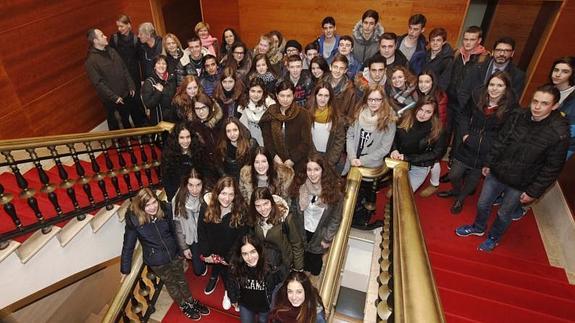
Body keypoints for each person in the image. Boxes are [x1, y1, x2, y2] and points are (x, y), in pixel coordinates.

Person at [455, 84, 569, 252]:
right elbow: (501, 141)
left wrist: (533, 192)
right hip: (497, 172)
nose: (537, 107)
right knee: (482, 203)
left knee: (504, 214)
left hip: (521, 183)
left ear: (555, 106)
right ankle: (478, 228)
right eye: (535, 101)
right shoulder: (518, 115)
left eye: (544, 103)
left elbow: (551, 168)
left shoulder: (559, 133)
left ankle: (494, 237)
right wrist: (488, 163)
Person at [120, 188, 210, 320]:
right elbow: (128, 245)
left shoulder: (165, 209)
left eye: (153, 202)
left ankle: (191, 301)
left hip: (173, 254)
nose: (152, 207)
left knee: (182, 279)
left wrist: (181, 250)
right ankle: (183, 305)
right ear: (140, 206)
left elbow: (175, 232)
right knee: (171, 283)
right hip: (157, 261)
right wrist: (125, 268)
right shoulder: (134, 220)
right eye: (147, 205)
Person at [439, 72, 519, 214]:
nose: (494, 89)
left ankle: (461, 199)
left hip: (487, 150)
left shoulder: (511, 108)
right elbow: (464, 115)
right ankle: (456, 190)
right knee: (454, 174)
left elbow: (507, 133)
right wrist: (464, 134)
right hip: (468, 142)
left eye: (500, 85)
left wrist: (493, 149)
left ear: (506, 88)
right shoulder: (477, 96)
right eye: (492, 84)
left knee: (473, 178)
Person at [345, 85, 397, 229]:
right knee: (352, 191)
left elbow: (385, 148)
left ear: (383, 100)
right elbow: (350, 135)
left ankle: (364, 218)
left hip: (371, 166)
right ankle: (351, 216)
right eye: (370, 99)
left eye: (377, 99)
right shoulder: (359, 111)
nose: (373, 103)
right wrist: (352, 157)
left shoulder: (389, 119)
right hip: (353, 161)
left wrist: (361, 161)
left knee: (368, 192)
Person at [443, 26, 490, 182]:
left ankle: (456, 170)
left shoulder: (484, 60)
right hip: (450, 103)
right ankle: (449, 167)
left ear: (479, 41)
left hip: (466, 107)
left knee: (460, 139)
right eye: (466, 39)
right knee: (445, 134)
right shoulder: (457, 54)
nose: (468, 43)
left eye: (472, 39)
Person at [198, 177, 249, 307]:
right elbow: (201, 231)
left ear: (235, 195)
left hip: (230, 253)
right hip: (213, 251)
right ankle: (219, 283)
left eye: (231, 194)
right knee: (219, 271)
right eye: (223, 193)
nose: (227, 198)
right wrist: (206, 253)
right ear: (217, 193)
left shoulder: (241, 211)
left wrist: (230, 257)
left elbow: (241, 237)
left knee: (230, 275)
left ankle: (230, 292)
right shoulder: (206, 207)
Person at [291, 154, 343, 277]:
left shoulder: (334, 192)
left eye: (316, 169)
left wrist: (327, 238)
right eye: (309, 169)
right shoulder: (299, 186)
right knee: (301, 261)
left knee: (314, 262)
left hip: (319, 234)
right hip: (301, 231)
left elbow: (336, 218)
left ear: (323, 171)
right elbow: (293, 208)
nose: (312, 174)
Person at [85, 28, 147, 130]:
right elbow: (98, 84)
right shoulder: (91, 61)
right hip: (112, 100)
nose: (105, 36)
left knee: (128, 119)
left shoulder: (112, 50)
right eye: (101, 35)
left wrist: (131, 85)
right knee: (115, 125)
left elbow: (124, 68)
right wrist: (114, 97)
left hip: (126, 93)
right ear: (95, 41)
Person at [390, 96, 447, 192]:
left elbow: (435, 153)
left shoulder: (438, 129)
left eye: (428, 112)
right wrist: (394, 149)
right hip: (399, 161)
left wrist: (408, 158)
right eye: (420, 109)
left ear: (433, 114)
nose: (422, 114)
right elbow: (394, 136)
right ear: (416, 108)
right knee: (396, 188)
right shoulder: (406, 116)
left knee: (405, 193)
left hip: (419, 166)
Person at [228, 234, 286, 321]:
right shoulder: (236, 266)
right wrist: (233, 298)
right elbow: (231, 283)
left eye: (253, 252)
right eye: (245, 254)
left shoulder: (271, 265)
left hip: (265, 306)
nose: (250, 257)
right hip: (246, 305)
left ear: (259, 250)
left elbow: (281, 283)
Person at [260, 81, 313, 171]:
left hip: (298, 163)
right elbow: (267, 140)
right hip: (276, 162)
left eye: (288, 96)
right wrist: (275, 157)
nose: (285, 99)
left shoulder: (303, 114)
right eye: (282, 95)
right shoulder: (270, 112)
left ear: (293, 95)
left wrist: (292, 160)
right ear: (277, 95)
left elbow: (306, 142)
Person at [249, 187, 304, 271]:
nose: (263, 209)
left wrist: (298, 269)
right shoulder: (254, 219)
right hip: (266, 264)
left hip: (284, 265)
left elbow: (297, 245)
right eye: (258, 206)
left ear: (271, 202)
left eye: (265, 203)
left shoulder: (286, 218)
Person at [459, 37, 526, 107]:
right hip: (471, 111)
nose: (502, 54)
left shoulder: (518, 75)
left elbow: (512, 101)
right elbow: (464, 91)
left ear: (512, 53)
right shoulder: (477, 68)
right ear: (493, 52)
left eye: (507, 51)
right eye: (498, 50)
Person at [416, 70, 449, 197]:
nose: (423, 85)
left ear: (433, 82)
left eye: (427, 82)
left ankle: (434, 184)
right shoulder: (419, 94)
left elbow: (440, 120)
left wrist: (432, 136)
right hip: (423, 128)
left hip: (436, 131)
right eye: (421, 81)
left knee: (433, 159)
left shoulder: (440, 96)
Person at [162, 122, 215, 200]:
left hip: (199, 191)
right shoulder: (168, 155)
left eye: (188, 137)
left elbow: (207, 173)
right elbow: (167, 181)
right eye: (182, 138)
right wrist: (174, 200)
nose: (185, 141)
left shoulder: (199, 151)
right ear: (176, 138)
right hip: (179, 195)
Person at [172, 168, 208, 277]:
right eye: (191, 185)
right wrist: (185, 247)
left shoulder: (208, 196)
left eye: (198, 185)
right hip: (192, 238)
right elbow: (178, 227)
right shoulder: (179, 199)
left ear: (203, 184)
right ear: (185, 184)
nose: (194, 189)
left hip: (207, 235)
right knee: (198, 271)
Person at [306, 81, 346, 170]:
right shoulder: (306, 115)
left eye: (326, 96)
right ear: (315, 96)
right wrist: (313, 158)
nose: (322, 99)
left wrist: (330, 161)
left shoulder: (336, 116)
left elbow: (339, 140)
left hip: (330, 157)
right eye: (320, 95)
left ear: (330, 97)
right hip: (312, 156)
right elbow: (305, 139)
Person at [549, 56, 575, 160]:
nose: (558, 74)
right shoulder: (547, 90)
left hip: (563, 147)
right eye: (556, 70)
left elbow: (571, 131)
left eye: (565, 72)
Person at [238, 77, 277, 146]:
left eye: (259, 91)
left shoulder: (271, 106)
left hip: (268, 139)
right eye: (253, 91)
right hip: (249, 139)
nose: (256, 95)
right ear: (248, 91)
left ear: (263, 92)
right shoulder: (243, 104)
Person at [109, 15, 141, 94]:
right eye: (118, 26)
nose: (119, 29)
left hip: (134, 76)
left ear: (128, 25)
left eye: (121, 26)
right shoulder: (114, 39)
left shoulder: (136, 39)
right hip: (121, 76)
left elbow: (140, 59)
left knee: (136, 98)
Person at [141, 55, 177, 124]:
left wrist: (162, 90)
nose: (161, 66)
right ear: (154, 66)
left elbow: (173, 98)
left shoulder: (171, 79)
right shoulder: (149, 82)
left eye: (164, 63)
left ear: (167, 66)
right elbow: (149, 104)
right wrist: (158, 92)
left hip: (172, 117)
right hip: (158, 119)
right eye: (158, 63)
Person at [323, 54, 357, 120]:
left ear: (345, 70)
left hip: (339, 124)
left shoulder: (350, 90)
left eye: (341, 68)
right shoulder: (322, 83)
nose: (338, 71)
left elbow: (350, 115)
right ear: (330, 67)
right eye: (335, 67)